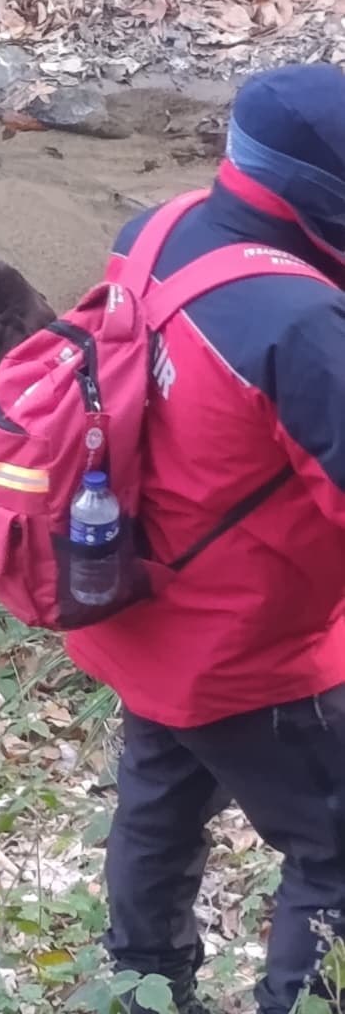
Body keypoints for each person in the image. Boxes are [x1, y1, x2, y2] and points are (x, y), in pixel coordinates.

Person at [66, 63, 345, 1014]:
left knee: (160, 805)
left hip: (139, 600)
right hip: (253, 647)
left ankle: (144, 992)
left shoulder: (165, 225)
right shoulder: (301, 320)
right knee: (335, 849)